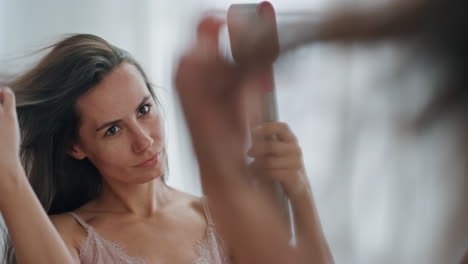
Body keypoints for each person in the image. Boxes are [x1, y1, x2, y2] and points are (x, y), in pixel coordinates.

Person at [0, 33, 333, 264]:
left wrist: (299, 190)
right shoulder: (68, 237)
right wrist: (8, 172)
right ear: (76, 147)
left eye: (144, 110)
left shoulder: (222, 219)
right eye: (113, 129)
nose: (143, 140)